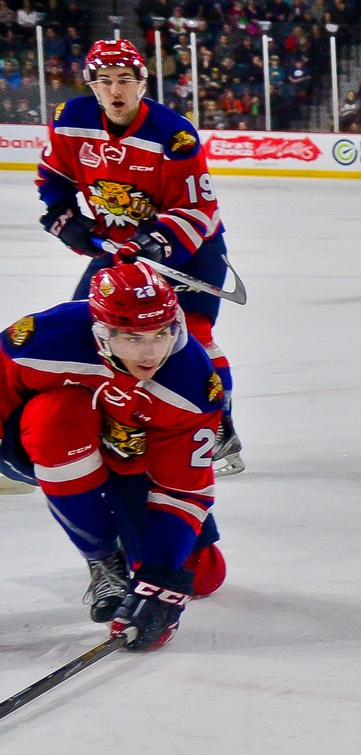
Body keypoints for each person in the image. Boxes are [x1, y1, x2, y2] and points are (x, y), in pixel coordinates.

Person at [35, 39, 243, 476]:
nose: (115, 91)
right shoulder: (70, 120)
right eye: (105, 81)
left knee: (192, 336)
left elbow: (197, 210)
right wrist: (64, 216)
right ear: (91, 84)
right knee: (90, 331)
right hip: (121, 253)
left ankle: (219, 427)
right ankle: (109, 428)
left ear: (142, 83)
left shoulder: (174, 133)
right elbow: (54, 177)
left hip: (189, 251)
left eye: (125, 81)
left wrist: (157, 243)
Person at [0, 262, 227, 651]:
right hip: (49, 442)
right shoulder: (44, 341)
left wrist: (159, 581)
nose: (152, 352)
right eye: (134, 338)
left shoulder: (191, 384)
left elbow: (182, 490)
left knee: (204, 576)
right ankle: (104, 559)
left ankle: (136, 557)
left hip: (136, 466)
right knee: (57, 419)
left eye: (161, 334)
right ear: (102, 333)